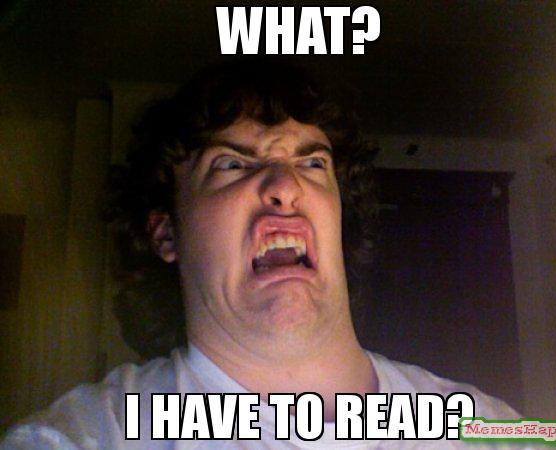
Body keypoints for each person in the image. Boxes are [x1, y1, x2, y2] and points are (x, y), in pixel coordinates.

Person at [1, 59, 520, 449]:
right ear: (167, 235)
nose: (285, 186)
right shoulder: (90, 435)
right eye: (230, 164)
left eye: (312, 163)